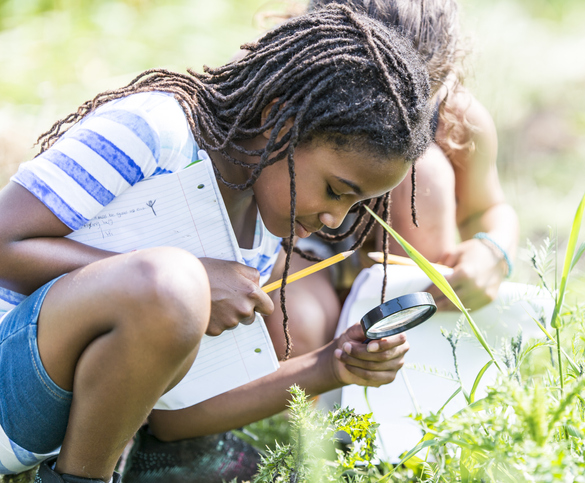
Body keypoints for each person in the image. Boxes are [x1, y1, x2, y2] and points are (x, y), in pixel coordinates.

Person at [0, 5, 433, 482]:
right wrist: (190, 280)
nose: (335, 219)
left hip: (42, 432)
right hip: (10, 377)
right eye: (335, 190)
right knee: (172, 283)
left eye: (356, 206)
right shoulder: (156, 130)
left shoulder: (263, 230)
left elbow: (171, 417)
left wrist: (332, 365)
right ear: (280, 120)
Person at [264, 0, 520, 359]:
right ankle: (312, 402)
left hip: (397, 259)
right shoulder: (279, 88)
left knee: (425, 174)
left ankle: (414, 371)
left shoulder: (456, 118)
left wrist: (493, 251)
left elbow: (488, 208)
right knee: (297, 324)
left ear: (442, 79)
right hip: (299, 246)